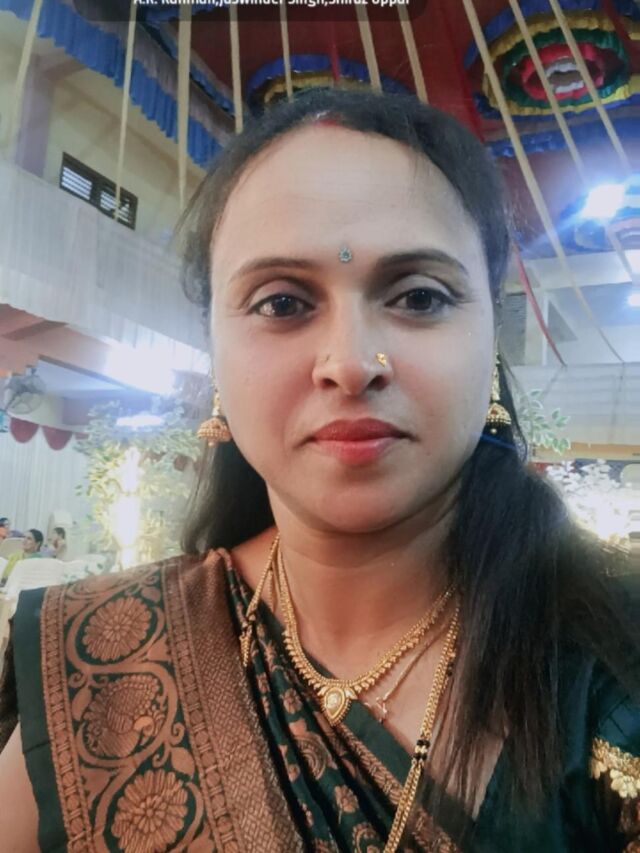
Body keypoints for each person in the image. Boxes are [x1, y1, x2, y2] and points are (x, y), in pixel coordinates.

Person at [0, 90, 638, 851]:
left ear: (489, 341)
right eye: (281, 303)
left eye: (419, 296)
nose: (350, 363)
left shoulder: (611, 664)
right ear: (214, 354)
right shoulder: (101, 661)